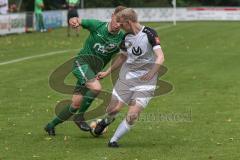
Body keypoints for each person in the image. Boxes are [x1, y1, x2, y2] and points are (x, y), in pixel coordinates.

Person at [44, 6, 127, 136]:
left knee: (75, 104)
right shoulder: (97, 26)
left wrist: (107, 72)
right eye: (117, 20)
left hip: (92, 71)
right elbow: (77, 19)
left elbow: (123, 57)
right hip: (81, 63)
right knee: (96, 88)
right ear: (112, 16)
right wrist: (74, 21)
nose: (118, 25)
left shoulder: (122, 38)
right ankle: (80, 117)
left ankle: (50, 125)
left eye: (121, 23)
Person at [92, 8, 165, 148]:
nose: (119, 26)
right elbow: (122, 57)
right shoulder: (125, 37)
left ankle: (113, 140)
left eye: (121, 23)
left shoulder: (149, 33)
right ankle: (106, 121)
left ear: (129, 22)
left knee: (133, 114)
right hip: (127, 77)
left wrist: (152, 71)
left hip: (146, 81)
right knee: (113, 110)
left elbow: (160, 56)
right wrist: (107, 72)